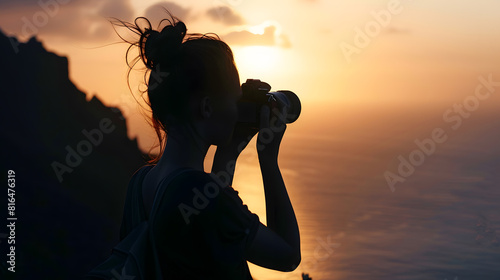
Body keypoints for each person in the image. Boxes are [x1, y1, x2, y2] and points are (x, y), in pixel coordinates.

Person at [111, 11, 300, 279]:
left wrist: (230, 150)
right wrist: (268, 160)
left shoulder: (140, 185)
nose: (237, 109)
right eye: (234, 99)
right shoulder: (199, 193)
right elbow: (288, 255)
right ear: (208, 107)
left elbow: (207, 231)